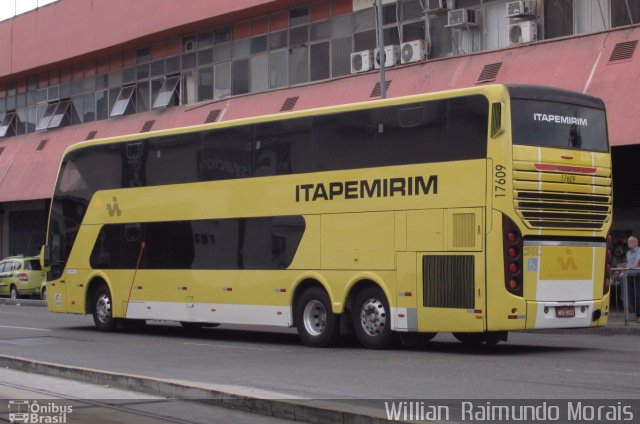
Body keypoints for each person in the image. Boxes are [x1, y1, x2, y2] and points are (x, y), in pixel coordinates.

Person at [624, 236, 640, 322]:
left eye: (630, 241)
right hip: (630, 275)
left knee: (638, 296)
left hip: (637, 276)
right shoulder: (628, 252)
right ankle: (633, 314)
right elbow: (628, 264)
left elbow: (635, 264)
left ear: (635, 242)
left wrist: (628, 267)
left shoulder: (639, 251)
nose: (628, 243)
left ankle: (639, 315)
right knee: (631, 296)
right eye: (628, 241)